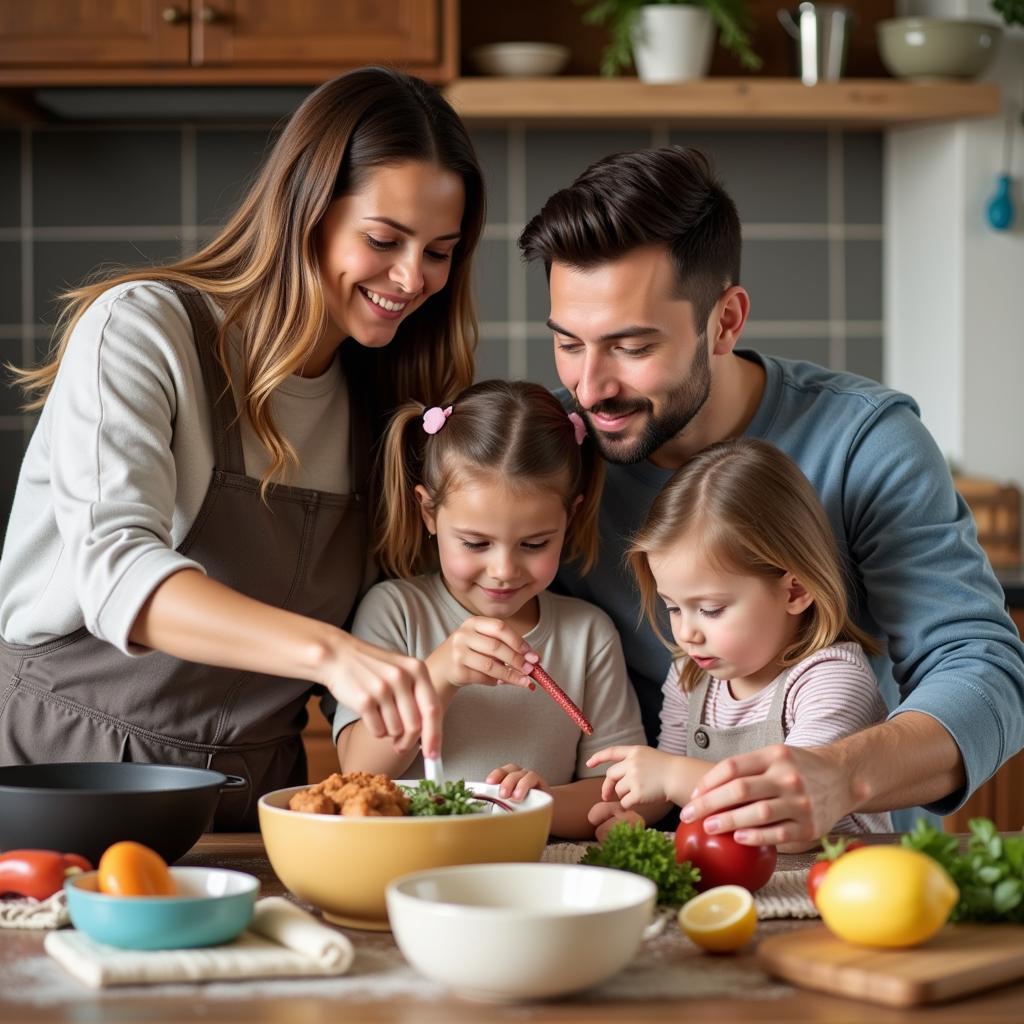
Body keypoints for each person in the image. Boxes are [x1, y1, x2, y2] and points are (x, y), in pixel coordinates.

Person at [0, 67, 487, 828]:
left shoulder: (392, 412)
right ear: (306, 213)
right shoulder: (144, 331)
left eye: (439, 251)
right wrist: (331, 655)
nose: (411, 277)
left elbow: (377, 652)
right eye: (384, 239)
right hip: (62, 776)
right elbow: (113, 571)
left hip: (259, 804)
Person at [518, 144, 1024, 846]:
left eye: (631, 347)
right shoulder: (549, 449)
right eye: (568, 343)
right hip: (618, 861)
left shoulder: (864, 443)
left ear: (725, 321)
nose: (590, 386)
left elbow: (983, 672)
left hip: (834, 874)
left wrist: (841, 774)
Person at [330, 379, 646, 838]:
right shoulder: (395, 613)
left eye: (535, 544)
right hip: (411, 861)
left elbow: (626, 787)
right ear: (428, 513)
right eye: (475, 543)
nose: (503, 570)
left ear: (570, 518)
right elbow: (357, 773)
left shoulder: (587, 634)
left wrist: (541, 804)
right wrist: (437, 676)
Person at [586, 437, 893, 846]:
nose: (687, 633)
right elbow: (667, 793)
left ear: (794, 591)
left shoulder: (830, 681)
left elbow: (793, 818)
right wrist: (633, 809)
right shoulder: (691, 675)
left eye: (711, 609)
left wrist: (672, 774)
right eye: (674, 608)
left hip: (830, 884)